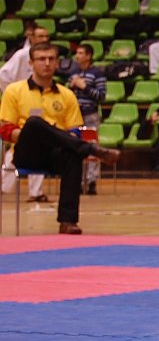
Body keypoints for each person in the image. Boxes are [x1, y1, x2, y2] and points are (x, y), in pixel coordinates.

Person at [0, 43, 120, 234]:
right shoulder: (14, 90)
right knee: (34, 124)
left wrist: (52, 137)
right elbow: (5, 130)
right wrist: (38, 135)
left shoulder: (67, 95)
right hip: (26, 152)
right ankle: (91, 149)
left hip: (55, 153)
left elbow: (74, 132)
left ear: (57, 63)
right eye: (41, 59)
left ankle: (68, 221)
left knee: (72, 155)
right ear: (31, 63)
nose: (47, 63)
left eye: (51, 59)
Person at [0, 23, 51, 201]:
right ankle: (5, 186)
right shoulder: (22, 55)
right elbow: (2, 76)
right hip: (21, 103)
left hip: (38, 104)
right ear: (31, 37)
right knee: (18, 144)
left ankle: (35, 192)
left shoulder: (47, 56)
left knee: (37, 143)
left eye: (46, 36)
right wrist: (14, 94)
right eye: (40, 36)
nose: (44, 39)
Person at [67, 43, 107, 195]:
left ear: (89, 56)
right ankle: (77, 180)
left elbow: (101, 96)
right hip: (75, 116)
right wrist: (72, 86)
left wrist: (85, 87)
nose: (77, 56)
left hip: (90, 114)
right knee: (75, 147)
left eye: (81, 53)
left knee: (92, 148)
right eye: (77, 53)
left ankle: (91, 182)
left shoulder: (97, 73)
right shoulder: (73, 73)